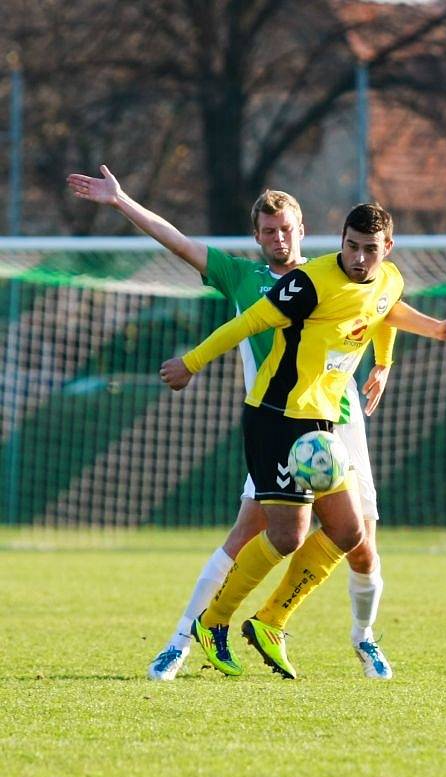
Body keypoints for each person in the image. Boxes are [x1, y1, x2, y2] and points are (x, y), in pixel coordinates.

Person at [67, 167, 397, 680]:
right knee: (250, 531)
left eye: (286, 228)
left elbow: (384, 304)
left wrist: (382, 360)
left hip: (341, 423)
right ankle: (181, 640)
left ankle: (361, 638)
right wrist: (121, 201)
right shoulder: (243, 277)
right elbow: (177, 241)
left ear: (303, 229)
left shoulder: (334, 274)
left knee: (361, 545)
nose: (279, 238)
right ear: (257, 236)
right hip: (280, 422)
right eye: (269, 231)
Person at [159, 203, 446, 679]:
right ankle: (212, 622)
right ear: (340, 240)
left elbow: (383, 310)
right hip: (276, 417)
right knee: (285, 535)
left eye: (369, 250)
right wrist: (191, 363)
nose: (359, 258)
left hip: (321, 425)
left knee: (350, 532)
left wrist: (427, 335)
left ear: (387, 249)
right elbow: (247, 323)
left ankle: (272, 621)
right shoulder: (309, 283)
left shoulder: (388, 276)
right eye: (352, 246)